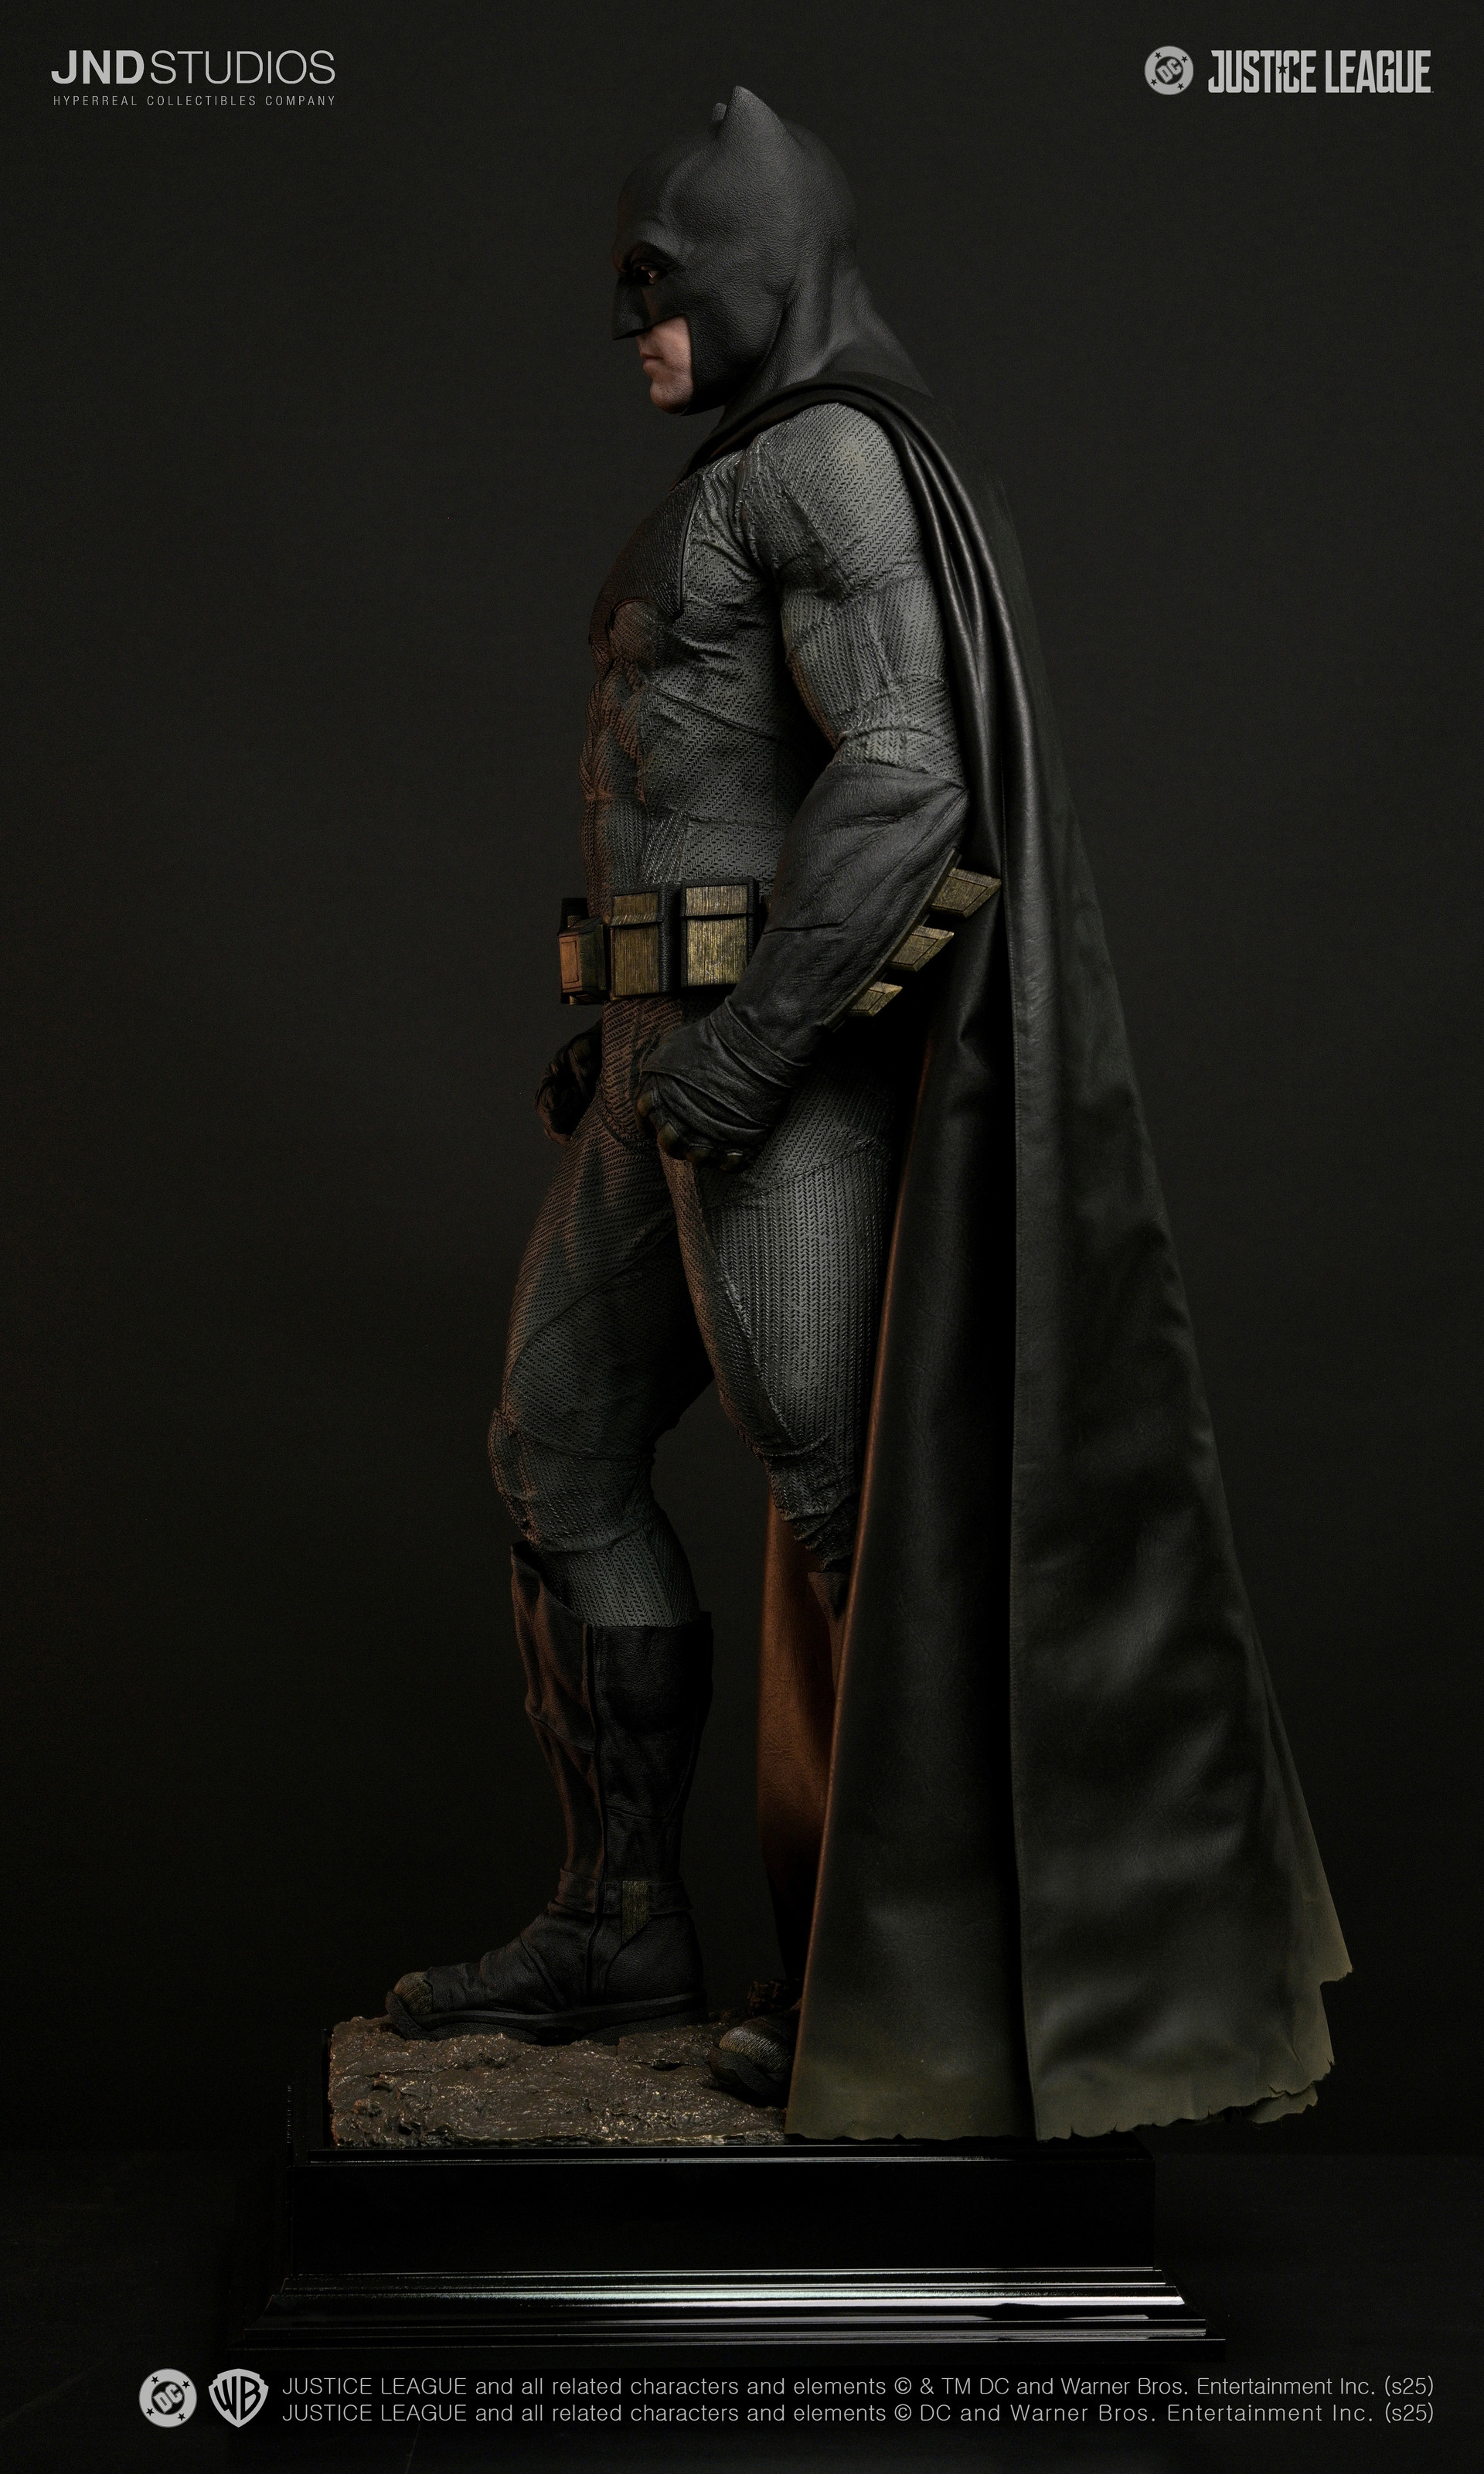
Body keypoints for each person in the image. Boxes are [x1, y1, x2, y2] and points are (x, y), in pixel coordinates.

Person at [386, 90, 1349, 2145]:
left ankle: (885, 1981)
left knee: (844, 1508)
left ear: (759, 271)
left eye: (659, 285)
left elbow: (905, 773)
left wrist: (747, 1048)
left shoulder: (827, 462)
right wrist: (635, 1029)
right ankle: (619, 1920)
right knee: (555, 1451)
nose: (632, 329)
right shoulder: (745, 475)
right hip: (660, 1062)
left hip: (773, 1077)